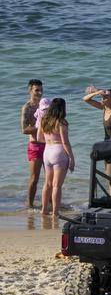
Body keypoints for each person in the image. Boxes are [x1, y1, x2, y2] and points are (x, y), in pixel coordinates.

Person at [36, 98, 73, 218]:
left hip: (47, 152)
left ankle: (44, 210)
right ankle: (55, 213)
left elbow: (39, 139)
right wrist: (71, 158)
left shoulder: (44, 120)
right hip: (59, 152)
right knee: (57, 185)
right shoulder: (61, 122)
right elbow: (65, 142)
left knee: (47, 183)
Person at [21, 79, 44, 209]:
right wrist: (41, 128)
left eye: (41, 89)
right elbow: (24, 129)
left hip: (49, 145)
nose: (40, 92)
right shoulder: (27, 107)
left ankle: (50, 203)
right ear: (30, 90)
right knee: (34, 179)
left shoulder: (45, 105)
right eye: (37, 90)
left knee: (51, 179)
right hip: (35, 145)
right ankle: (30, 206)